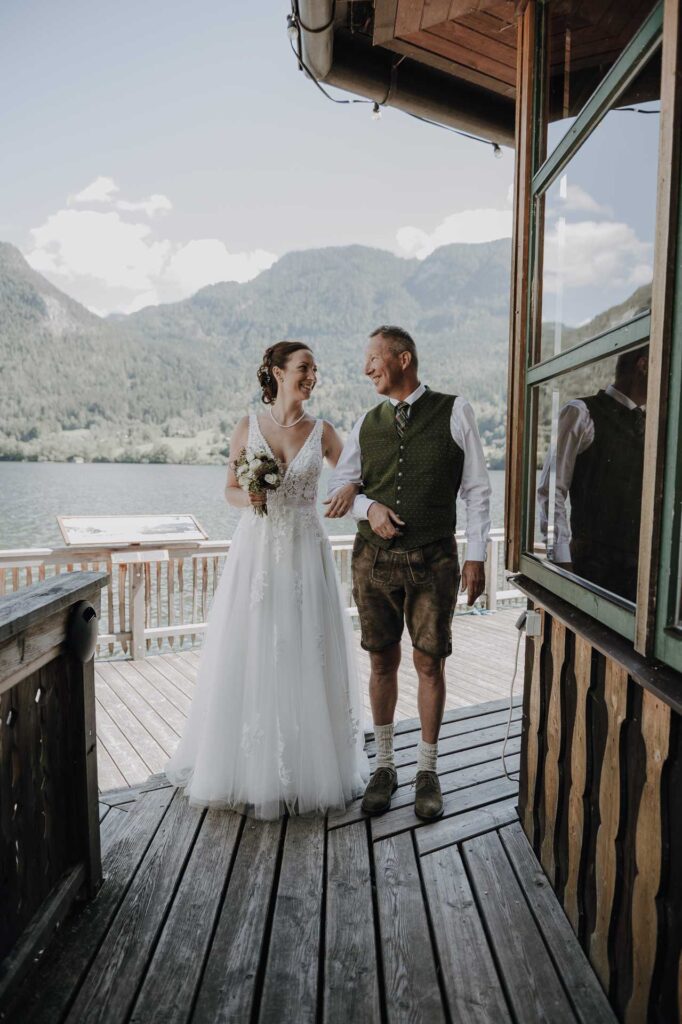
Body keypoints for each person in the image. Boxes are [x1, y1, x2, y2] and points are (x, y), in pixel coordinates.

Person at [166, 341, 369, 819]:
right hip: (255, 555)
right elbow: (230, 490)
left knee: (306, 651)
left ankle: (308, 767)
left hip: (305, 551)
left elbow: (356, 474)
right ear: (277, 373)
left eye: (315, 369)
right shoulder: (247, 428)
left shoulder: (324, 432)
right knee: (252, 649)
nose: (312, 376)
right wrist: (251, 498)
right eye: (303, 368)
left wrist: (354, 489)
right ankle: (249, 767)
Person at [326, 326, 491, 821]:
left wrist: (477, 555)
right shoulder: (364, 422)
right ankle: (385, 766)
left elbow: (478, 491)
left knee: (429, 663)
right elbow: (340, 487)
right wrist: (368, 505)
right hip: (372, 561)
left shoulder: (455, 411)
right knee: (381, 663)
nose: (366, 368)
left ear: (403, 359)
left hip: (434, 561)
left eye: (374, 358)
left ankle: (427, 769)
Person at [537, 345, 647, 602]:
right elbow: (551, 492)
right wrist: (562, 563)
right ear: (643, 365)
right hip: (590, 572)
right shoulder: (580, 413)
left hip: (639, 577)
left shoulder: (653, 424)